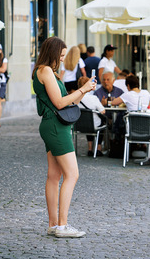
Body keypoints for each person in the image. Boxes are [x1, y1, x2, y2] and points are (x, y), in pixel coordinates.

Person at [32, 36, 96, 238]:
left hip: (52, 124)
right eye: (60, 55)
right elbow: (59, 103)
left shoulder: (43, 71)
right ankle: (62, 225)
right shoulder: (45, 71)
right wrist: (82, 89)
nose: (62, 60)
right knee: (72, 174)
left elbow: (63, 103)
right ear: (52, 53)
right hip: (55, 127)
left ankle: (54, 224)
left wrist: (83, 92)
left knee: (54, 175)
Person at [77, 76, 106, 157]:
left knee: (87, 122)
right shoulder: (93, 98)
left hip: (79, 125)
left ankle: (90, 149)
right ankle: (99, 148)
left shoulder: (76, 98)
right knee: (100, 122)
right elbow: (103, 111)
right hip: (94, 125)